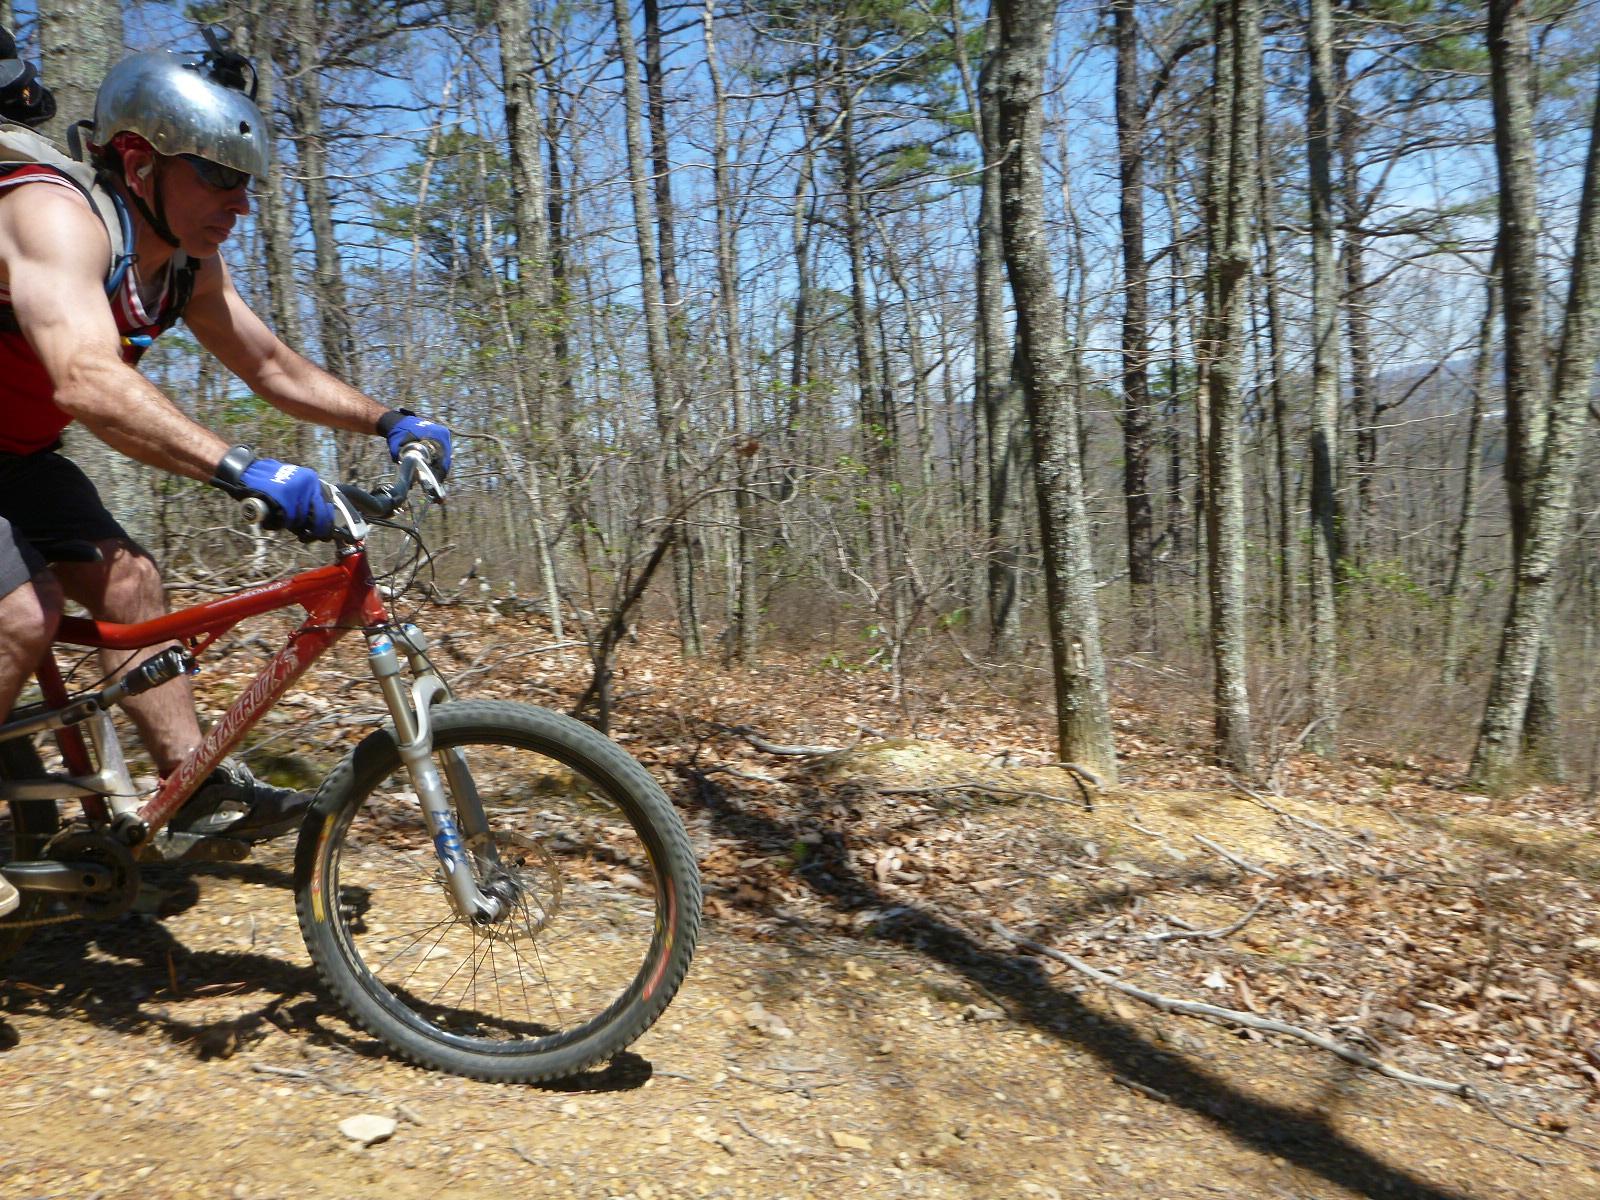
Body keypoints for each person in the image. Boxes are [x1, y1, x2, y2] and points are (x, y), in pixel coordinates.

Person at [0, 40, 453, 922]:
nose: (240, 204)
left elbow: (271, 363)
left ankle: (191, 785)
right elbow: (86, 379)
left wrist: (389, 420)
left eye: (249, 182)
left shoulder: (182, 257)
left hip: (16, 453)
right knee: (22, 614)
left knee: (131, 582)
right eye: (217, 176)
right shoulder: (53, 217)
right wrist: (243, 468)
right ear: (138, 160)